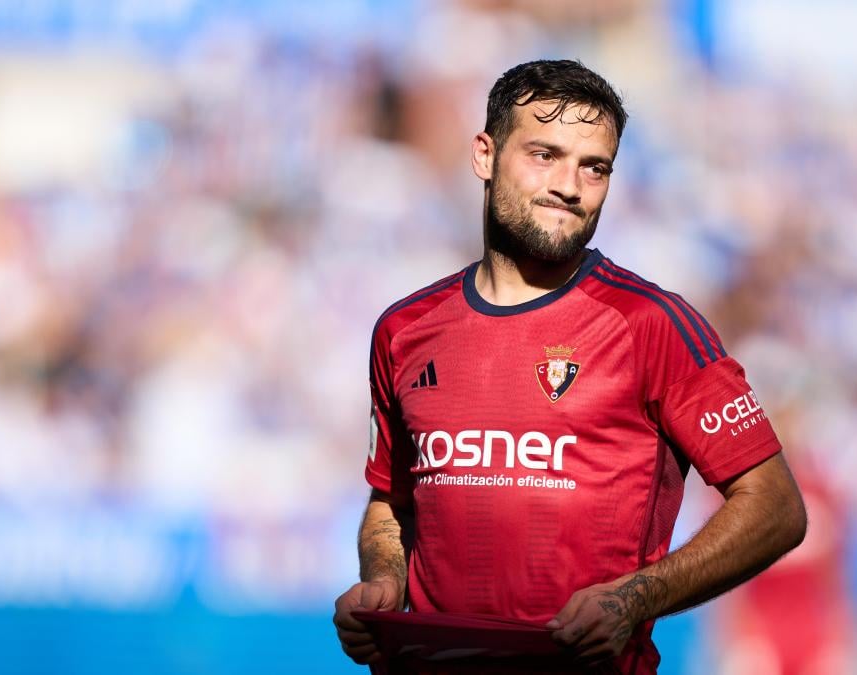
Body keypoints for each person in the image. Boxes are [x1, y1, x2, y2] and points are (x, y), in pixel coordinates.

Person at [333, 59, 807, 674]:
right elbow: (391, 501)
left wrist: (634, 599)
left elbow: (776, 506)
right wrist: (383, 583)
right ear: (484, 155)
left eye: (594, 167)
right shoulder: (404, 331)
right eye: (544, 155)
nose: (570, 185)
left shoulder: (652, 324)